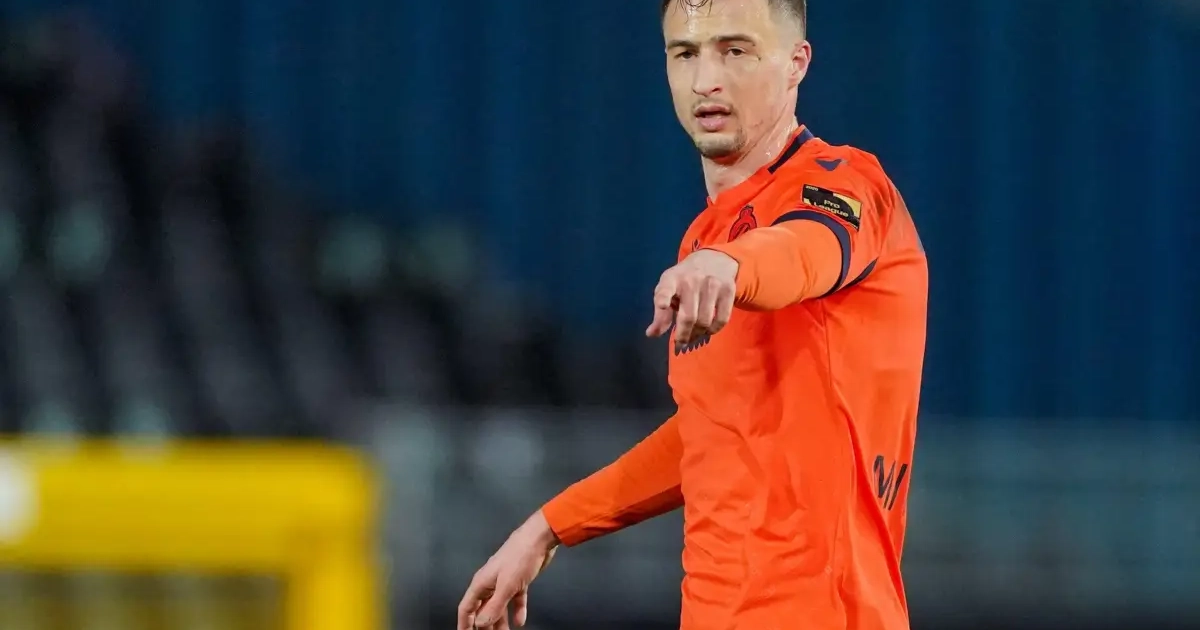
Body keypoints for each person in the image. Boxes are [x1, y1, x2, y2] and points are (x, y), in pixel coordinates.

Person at [457, 0, 927, 628]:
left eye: (735, 51)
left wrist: (732, 266)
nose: (707, 79)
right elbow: (712, 436)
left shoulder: (847, 184)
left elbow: (806, 248)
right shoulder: (703, 240)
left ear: (796, 63)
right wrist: (548, 526)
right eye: (685, 53)